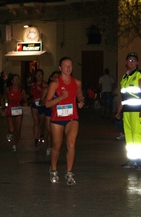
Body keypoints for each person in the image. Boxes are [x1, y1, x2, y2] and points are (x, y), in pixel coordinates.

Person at [45, 57, 84, 185]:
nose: (68, 68)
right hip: (57, 118)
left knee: (71, 144)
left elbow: (79, 95)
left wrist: (81, 102)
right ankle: (54, 169)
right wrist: (61, 97)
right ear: (60, 68)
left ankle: (69, 172)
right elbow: (47, 104)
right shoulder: (55, 84)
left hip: (72, 117)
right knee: (57, 146)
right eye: (65, 66)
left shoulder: (77, 82)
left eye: (70, 65)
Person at [115, 52, 141, 170]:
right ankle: (132, 159)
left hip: (138, 111)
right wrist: (118, 112)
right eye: (129, 60)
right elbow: (123, 97)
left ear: (137, 62)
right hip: (127, 111)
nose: (131, 62)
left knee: (138, 136)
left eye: (134, 60)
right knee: (129, 136)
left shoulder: (140, 74)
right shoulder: (125, 77)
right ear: (126, 62)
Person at [1, 74, 28, 153]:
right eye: (15, 79)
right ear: (12, 81)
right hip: (10, 110)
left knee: (18, 129)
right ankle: (10, 133)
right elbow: (2, 98)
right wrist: (3, 108)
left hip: (18, 110)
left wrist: (25, 101)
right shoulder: (8, 89)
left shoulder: (21, 90)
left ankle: (15, 145)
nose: (17, 80)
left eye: (18, 79)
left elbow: (25, 99)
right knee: (12, 129)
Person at [40, 71, 60, 157]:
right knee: (49, 132)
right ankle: (49, 148)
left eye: (57, 77)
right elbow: (41, 101)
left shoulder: (61, 89)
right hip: (49, 111)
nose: (56, 78)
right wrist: (47, 98)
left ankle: (55, 148)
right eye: (54, 77)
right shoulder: (47, 89)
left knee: (57, 133)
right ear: (51, 78)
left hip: (58, 112)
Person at [30, 69, 47, 146]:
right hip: (34, 104)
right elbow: (31, 93)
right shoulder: (32, 84)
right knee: (36, 122)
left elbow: (48, 93)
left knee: (41, 123)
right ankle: (35, 139)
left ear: (43, 76)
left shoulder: (45, 84)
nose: (39, 75)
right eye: (37, 74)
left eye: (40, 74)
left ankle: (42, 134)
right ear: (35, 76)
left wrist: (41, 90)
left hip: (42, 105)